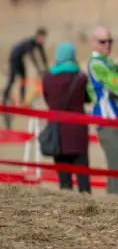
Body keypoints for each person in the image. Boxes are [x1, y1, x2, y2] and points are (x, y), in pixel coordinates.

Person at [87, 25, 118, 195]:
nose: (107, 45)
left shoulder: (107, 63)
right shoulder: (97, 65)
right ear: (93, 43)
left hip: (117, 121)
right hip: (110, 123)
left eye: (110, 41)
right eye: (102, 41)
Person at [42, 41, 92, 194]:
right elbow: (88, 98)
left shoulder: (48, 78)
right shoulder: (81, 77)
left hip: (57, 134)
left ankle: (67, 214)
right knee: (83, 181)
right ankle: (88, 212)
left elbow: (48, 99)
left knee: (64, 183)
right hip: (78, 133)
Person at [3, 27, 48, 128]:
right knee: (12, 79)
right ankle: (5, 98)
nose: (42, 40)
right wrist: (38, 68)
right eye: (41, 37)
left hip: (20, 59)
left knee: (23, 77)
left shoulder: (39, 45)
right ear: (37, 36)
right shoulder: (30, 43)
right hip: (14, 57)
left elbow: (43, 56)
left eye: (44, 38)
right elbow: (32, 56)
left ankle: (23, 99)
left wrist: (46, 68)